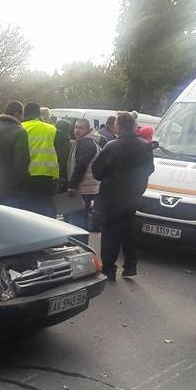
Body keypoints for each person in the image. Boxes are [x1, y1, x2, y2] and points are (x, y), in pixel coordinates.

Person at [90, 111, 155, 280]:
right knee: (128, 231)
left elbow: (97, 171)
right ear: (133, 126)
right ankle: (131, 265)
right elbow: (150, 169)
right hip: (133, 197)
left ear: (119, 126)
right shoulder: (145, 146)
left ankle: (109, 269)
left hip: (113, 197)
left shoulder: (112, 146)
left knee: (110, 233)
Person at [0, 101, 30, 208]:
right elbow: (21, 162)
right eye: (22, 114)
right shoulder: (19, 132)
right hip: (12, 188)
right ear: (17, 114)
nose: (23, 117)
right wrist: (25, 181)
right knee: (11, 220)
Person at [21, 102, 59, 217]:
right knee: (45, 208)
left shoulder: (20, 128)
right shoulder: (51, 128)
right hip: (48, 174)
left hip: (28, 173)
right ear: (39, 114)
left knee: (29, 210)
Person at [65, 118, 102, 232]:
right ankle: (82, 244)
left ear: (87, 129)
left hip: (83, 188)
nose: (77, 130)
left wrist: (72, 186)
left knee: (77, 220)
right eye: (76, 127)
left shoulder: (85, 142)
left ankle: (80, 246)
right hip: (87, 187)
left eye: (81, 128)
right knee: (82, 218)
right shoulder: (88, 141)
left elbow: (81, 165)